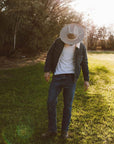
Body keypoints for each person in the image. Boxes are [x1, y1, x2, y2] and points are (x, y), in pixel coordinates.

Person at [42, 23, 89, 139]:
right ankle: (52, 130)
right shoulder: (58, 42)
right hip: (57, 76)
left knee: (67, 106)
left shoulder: (81, 46)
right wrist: (47, 70)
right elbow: (50, 55)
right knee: (50, 102)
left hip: (71, 79)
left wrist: (86, 80)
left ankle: (64, 132)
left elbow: (84, 63)